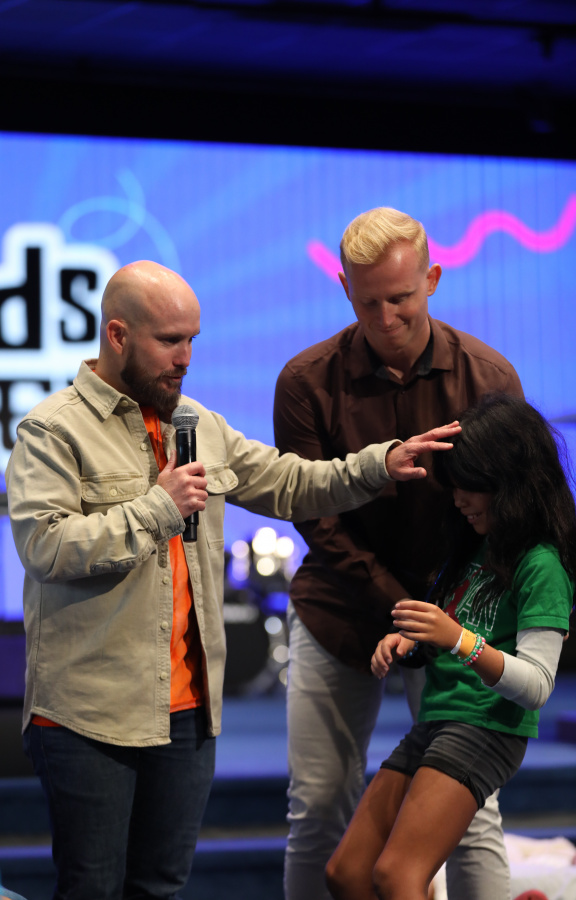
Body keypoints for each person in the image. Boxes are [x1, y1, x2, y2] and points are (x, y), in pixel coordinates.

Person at [5, 259, 459, 900]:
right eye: (170, 340)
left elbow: (291, 482)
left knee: (161, 888)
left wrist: (379, 463)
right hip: (89, 715)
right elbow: (45, 548)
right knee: (93, 889)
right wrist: (158, 508)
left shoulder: (197, 424)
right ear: (117, 335)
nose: (185, 358)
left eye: (193, 339)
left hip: (190, 710)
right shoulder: (53, 430)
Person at [273, 206, 524, 900]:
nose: (385, 318)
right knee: (319, 807)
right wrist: (401, 604)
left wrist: (441, 615)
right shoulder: (305, 381)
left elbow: (508, 513)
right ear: (344, 290)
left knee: (470, 812)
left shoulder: (488, 378)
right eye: (367, 303)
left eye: (401, 298)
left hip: (455, 615)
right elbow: (315, 516)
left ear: (433, 279)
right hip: (339, 608)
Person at [325, 393, 576, 900]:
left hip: (486, 726)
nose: (458, 499)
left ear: (510, 480)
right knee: (348, 873)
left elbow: (536, 686)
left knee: (396, 875)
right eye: (454, 485)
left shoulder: (542, 563)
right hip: (440, 719)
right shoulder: (478, 544)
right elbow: (461, 626)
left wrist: (457, 640)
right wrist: (414, 637)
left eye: (469, 486)